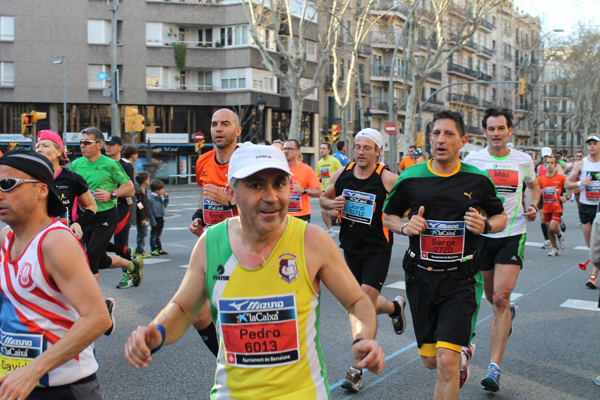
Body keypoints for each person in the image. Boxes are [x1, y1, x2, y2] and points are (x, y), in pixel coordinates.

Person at [124, 144, 385, 398]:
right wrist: (156, 332)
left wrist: (363, 339)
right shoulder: (211, 242)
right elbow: (183, 308)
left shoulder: (312, 241)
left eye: (279, 184)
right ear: (232, 193)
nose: (271, 196)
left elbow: (356, 300)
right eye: (256, 185)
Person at [383, 110, 507, 398]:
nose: (441, 139)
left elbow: (500, 216)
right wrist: (405, 227)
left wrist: (486, 224)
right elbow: (388, 215)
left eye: (449, 134)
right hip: (420, 278)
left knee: (446, 362)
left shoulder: (477, 180)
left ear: (462, 141)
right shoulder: (412, 177)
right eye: (436, 133)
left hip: (460, 279)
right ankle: (462, 358)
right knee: (431, 361)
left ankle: (456, 358)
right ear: (429, 138)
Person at [0, 148, 111, 399]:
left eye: (7, 184)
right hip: (16, 384)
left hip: (63, 389)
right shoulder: (6, 239)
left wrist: (32, 371)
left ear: (41, 190)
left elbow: (97, 319)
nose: (0, 193)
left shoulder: (55, 242)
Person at [321, 128, 406, 393]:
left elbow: (410, 202)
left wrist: (408, 221)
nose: (360, 152)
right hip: (350, 248)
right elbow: (324, 197)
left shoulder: (388, 178)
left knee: (363, 302)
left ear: (378, 152)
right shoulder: (343, 173)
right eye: (357, 147)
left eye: (367, 148)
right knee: (358, 302)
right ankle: (394, 308)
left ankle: (356, 369)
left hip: (377, 249)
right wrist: (332, 204)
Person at [463, 108, 539, 393]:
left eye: (501, 128)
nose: (496, 133)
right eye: (491, 129)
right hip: (482, 234)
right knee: (491, 298)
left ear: (510, 131)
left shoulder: (523, 160)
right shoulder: (473, 160)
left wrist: (533, 206)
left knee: (500, 297)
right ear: (485, 132)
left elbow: (533, 185)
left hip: (512, 232)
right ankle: (507, 312)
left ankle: (494, 367)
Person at [35, 130, 116, 336]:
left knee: (68, 289)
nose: (40, 149)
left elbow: (91, 206)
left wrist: (79, 223)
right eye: (38, 146)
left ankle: (94, 318)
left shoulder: (72, 179)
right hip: (38, 240)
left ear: (58, 150)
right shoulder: (32, 178)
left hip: (66, 240)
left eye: (45, 145)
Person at [189, 108, 241, 357]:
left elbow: (266, 201)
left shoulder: (247, 160)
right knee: (198, 315)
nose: (218, 128)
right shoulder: (203, 160)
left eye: (225, 124)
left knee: (241, 314)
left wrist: (230, 201)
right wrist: (199, 216)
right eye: (214, 124)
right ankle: (228, 363)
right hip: (212, 241)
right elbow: (205, 193)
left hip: (246, 245)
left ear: (237, 131)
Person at [70, 128, 144, 289]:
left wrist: (112, 194)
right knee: (101, 260)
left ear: (99, 145)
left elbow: (129, 186)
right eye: (81, 142)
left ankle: (92, 305)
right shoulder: (76, 164)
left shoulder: (110, 164)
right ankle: (132, 266)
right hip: (86, 217)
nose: (82, 145)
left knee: (90, 259)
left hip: (106, 216)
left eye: (87, 142)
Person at [566, 135, 600, 288]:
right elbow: (567, 184)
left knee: (598, 244)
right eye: (589, 144)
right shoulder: (581, 164)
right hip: (586, 206)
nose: (592, 146)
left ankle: (593, 276)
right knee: (591, 245)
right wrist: (580, 183)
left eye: (595, 143)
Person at [105, 135, 138, 286]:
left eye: (111, 144)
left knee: (119, 246)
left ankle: (129, 274)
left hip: (121, 208)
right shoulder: (101, 164)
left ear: (120, 147)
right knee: (93, 243)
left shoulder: (124, 166)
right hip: (102, 210)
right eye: (106, 144)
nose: (108, 147)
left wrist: (111, 194)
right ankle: (129, 253)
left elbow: (130, 191)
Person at [283, 139, 322, 222]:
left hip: (301, 216)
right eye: (285, 148)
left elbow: (319, 192)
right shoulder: (279, 169)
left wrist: (303, 190)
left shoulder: (306, 170)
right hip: (282, 215)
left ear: (298, 151)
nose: (286, 151)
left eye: (289, 149)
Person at [536, 147, 565, 249]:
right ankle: (549, 242)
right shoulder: (540, 168)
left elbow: (565, 182)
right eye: (545, 157)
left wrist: (565, 195)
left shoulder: (558, 169)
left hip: (555, 199)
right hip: (544, 198)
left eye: (548, 157)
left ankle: (558, 229)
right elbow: (536, 184)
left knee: (552, 226)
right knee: (544, 221)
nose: (547, 160)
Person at [316, 142, 342, 237]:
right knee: (323, 211)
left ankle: (342, 216)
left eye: (324, 148)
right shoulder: (319, 163)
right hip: (323, 189)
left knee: (332, 211)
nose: (321, 150)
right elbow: (318, 176)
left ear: (329, 151)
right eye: (321, 148)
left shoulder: (334, 161)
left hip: (333, 189)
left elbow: (342, 172)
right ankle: (330, 230)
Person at [148, 179, 169, 256]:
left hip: (161, 218)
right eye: (162, 189)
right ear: (157, 190)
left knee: (158, 235)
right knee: (154, 235)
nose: (163, 191)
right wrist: (152, 221)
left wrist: (166, 198)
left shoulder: (159, 197)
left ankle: (159, 248)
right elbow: (150, 212)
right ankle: (153, 249)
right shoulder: (151, 199)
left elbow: (164, 206)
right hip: (155, 218)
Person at [134, 171, 151, 258]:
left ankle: (141, 250)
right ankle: (139, 250)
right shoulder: (140, 192)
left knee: (143, 233)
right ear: (145, 181)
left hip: (144, 215)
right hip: (142, 216)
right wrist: (142, 218)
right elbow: (139, 204)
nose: (149, 180)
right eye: (148, 179)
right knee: (142, 234)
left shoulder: (143, 190)